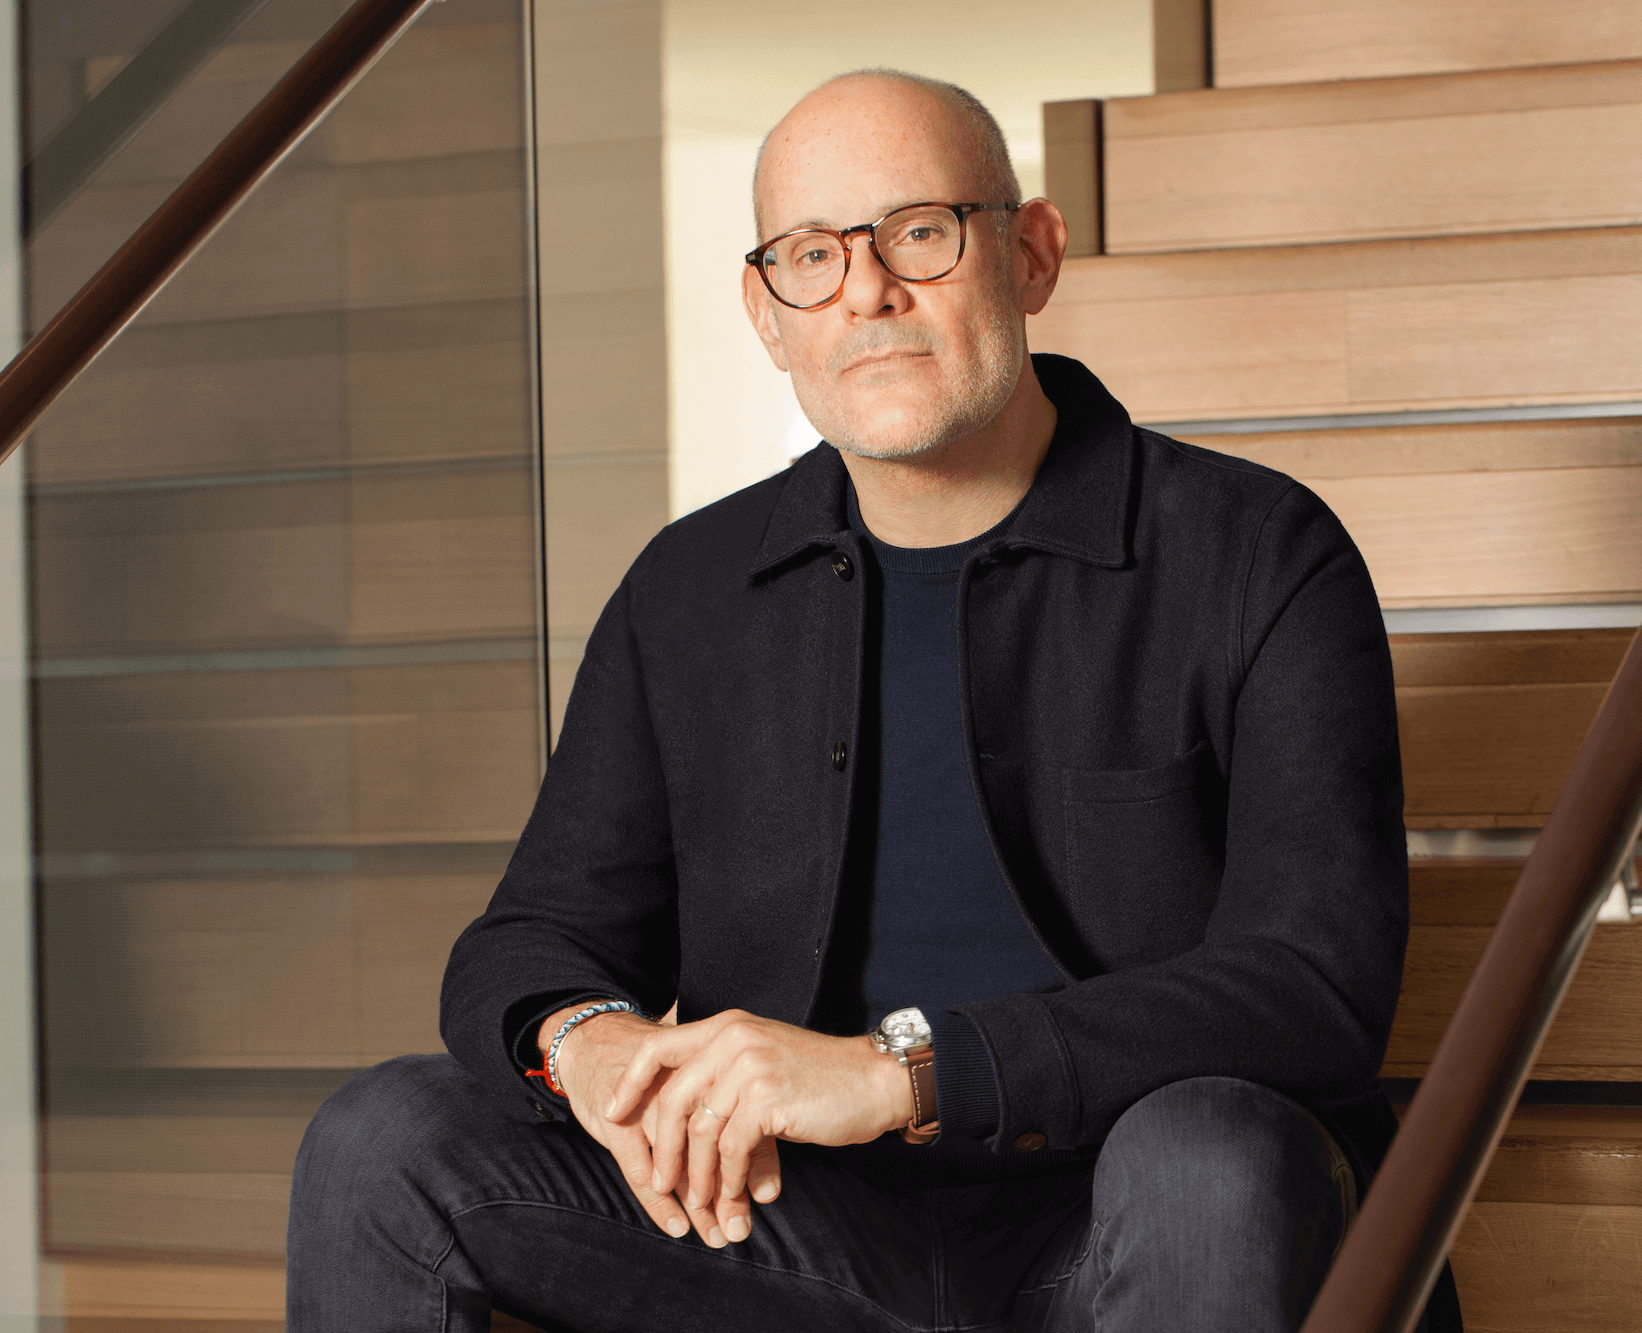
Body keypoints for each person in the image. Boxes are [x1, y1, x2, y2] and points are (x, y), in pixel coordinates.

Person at [287, 69, 1461, 1331]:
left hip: (1135, 1228)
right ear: (765, 308)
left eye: (917, 232)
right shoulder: (690, 587)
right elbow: (530, 939)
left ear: (1033, 254)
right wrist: (595, 1047)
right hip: (791, 1233)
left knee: (1211, 1154)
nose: (865, 292)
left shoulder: (1255, 552)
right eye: (809, 254)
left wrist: (903, 1072)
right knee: (384, 1140)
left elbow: (1313, 985)